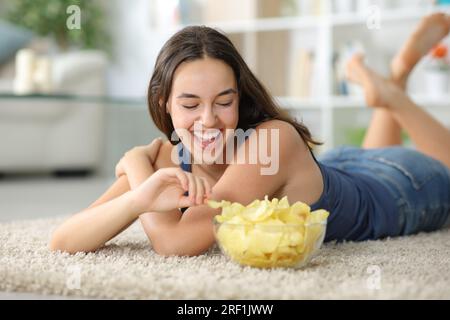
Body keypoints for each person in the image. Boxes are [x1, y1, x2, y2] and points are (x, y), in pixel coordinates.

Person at [49, 13, 450, 256]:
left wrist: (137, 172)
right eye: (190, 105)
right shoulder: (169, 156)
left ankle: (394, 93)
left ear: (241, 98)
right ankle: (392, 84)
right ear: (164, 102)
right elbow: (64, 239)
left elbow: (175, 244)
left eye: (223, 101)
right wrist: (139, 195)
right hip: (339, 166)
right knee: (355, 164)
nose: (208, 120)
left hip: (400, 189)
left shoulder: (270, 142)